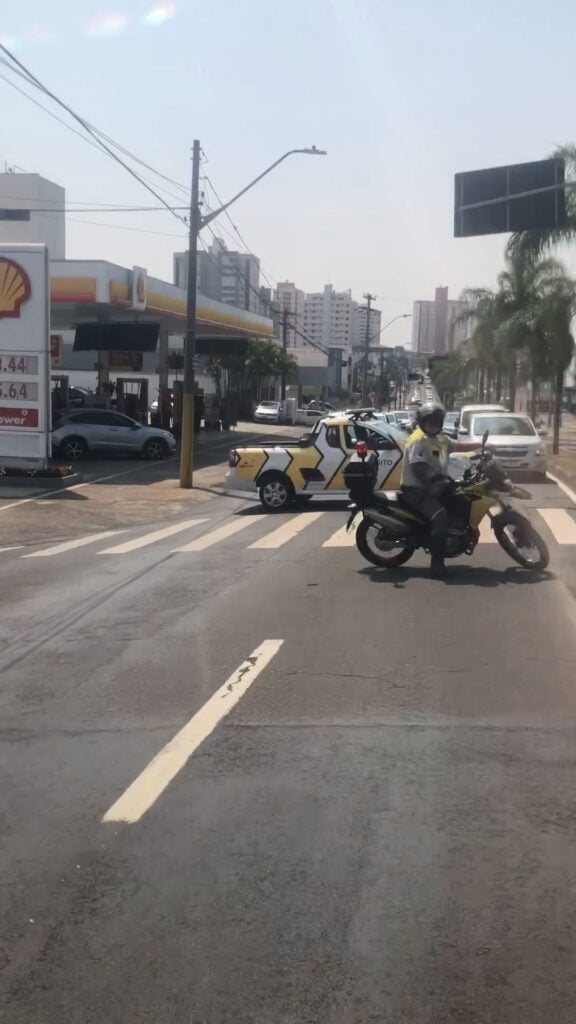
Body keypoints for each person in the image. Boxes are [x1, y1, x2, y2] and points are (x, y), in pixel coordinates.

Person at [400, 402, 454, 578]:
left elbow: (458, 445)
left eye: (436, 421)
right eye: (429, 421)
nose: (433, 425)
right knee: (440, 516)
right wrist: (433, 479)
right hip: (416, 490)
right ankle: (437, 565)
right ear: (422, 422)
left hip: (433, 487)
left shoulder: (439, 438)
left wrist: (481, 447)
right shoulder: (418, 439)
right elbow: (417, 466)